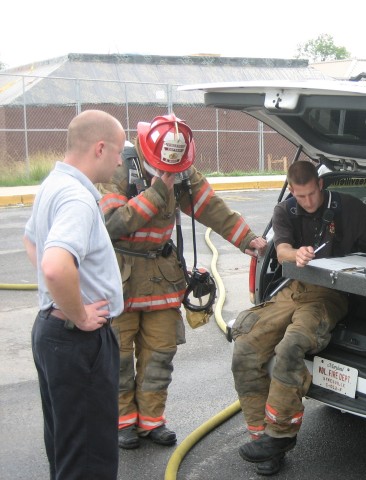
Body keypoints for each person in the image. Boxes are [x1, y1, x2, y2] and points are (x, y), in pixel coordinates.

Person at [97, 114, 267, 449]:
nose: (172, 173)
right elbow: (114, 223)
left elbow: (211, 207)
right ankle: (122, 422)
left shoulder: (182, 174)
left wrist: (246, 239)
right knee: (117, 357)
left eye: (176, 168)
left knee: (160, 353)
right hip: (120, 278)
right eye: (165, 167)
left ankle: (151, 421)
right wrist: (160, 189)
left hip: (162, 278)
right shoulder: (118, 171)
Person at [231, 160, 366, 475]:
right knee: (245, 346)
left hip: (331, 294)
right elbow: (281, 247)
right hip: (293, 287)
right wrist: (293, 255)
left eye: (312, 194)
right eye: (300, 197)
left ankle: (280, 433)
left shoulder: (347, 207)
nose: (308, 202)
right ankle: (263, 442)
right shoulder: (285, 210)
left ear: (320, 186)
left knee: (291, 345)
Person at [23, 110, 126, 480]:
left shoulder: (53, 184)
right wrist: (79, 312)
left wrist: (66, 295)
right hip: (77, 340)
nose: (119, 160)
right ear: (100, 148)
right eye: (117, 151)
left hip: (54, 334)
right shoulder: (77, 198)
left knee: (68, 452)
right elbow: (54, 265)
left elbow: (31, 240)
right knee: (88, 463)